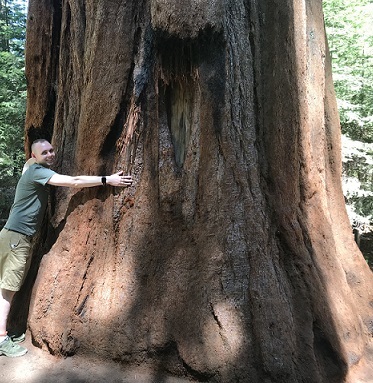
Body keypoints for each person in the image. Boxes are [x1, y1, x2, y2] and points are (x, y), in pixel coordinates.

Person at [0, 139, 133, 357]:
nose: (51, 154)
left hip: (11, 236)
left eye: (52, 149)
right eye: (45, 153)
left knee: (6, 286)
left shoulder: (30, 167)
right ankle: (2, 340)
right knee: (8, 290)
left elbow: (28, 163)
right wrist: (107, 179)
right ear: (34, 157)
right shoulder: (36, 172)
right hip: (16, 238)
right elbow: (74, 182)